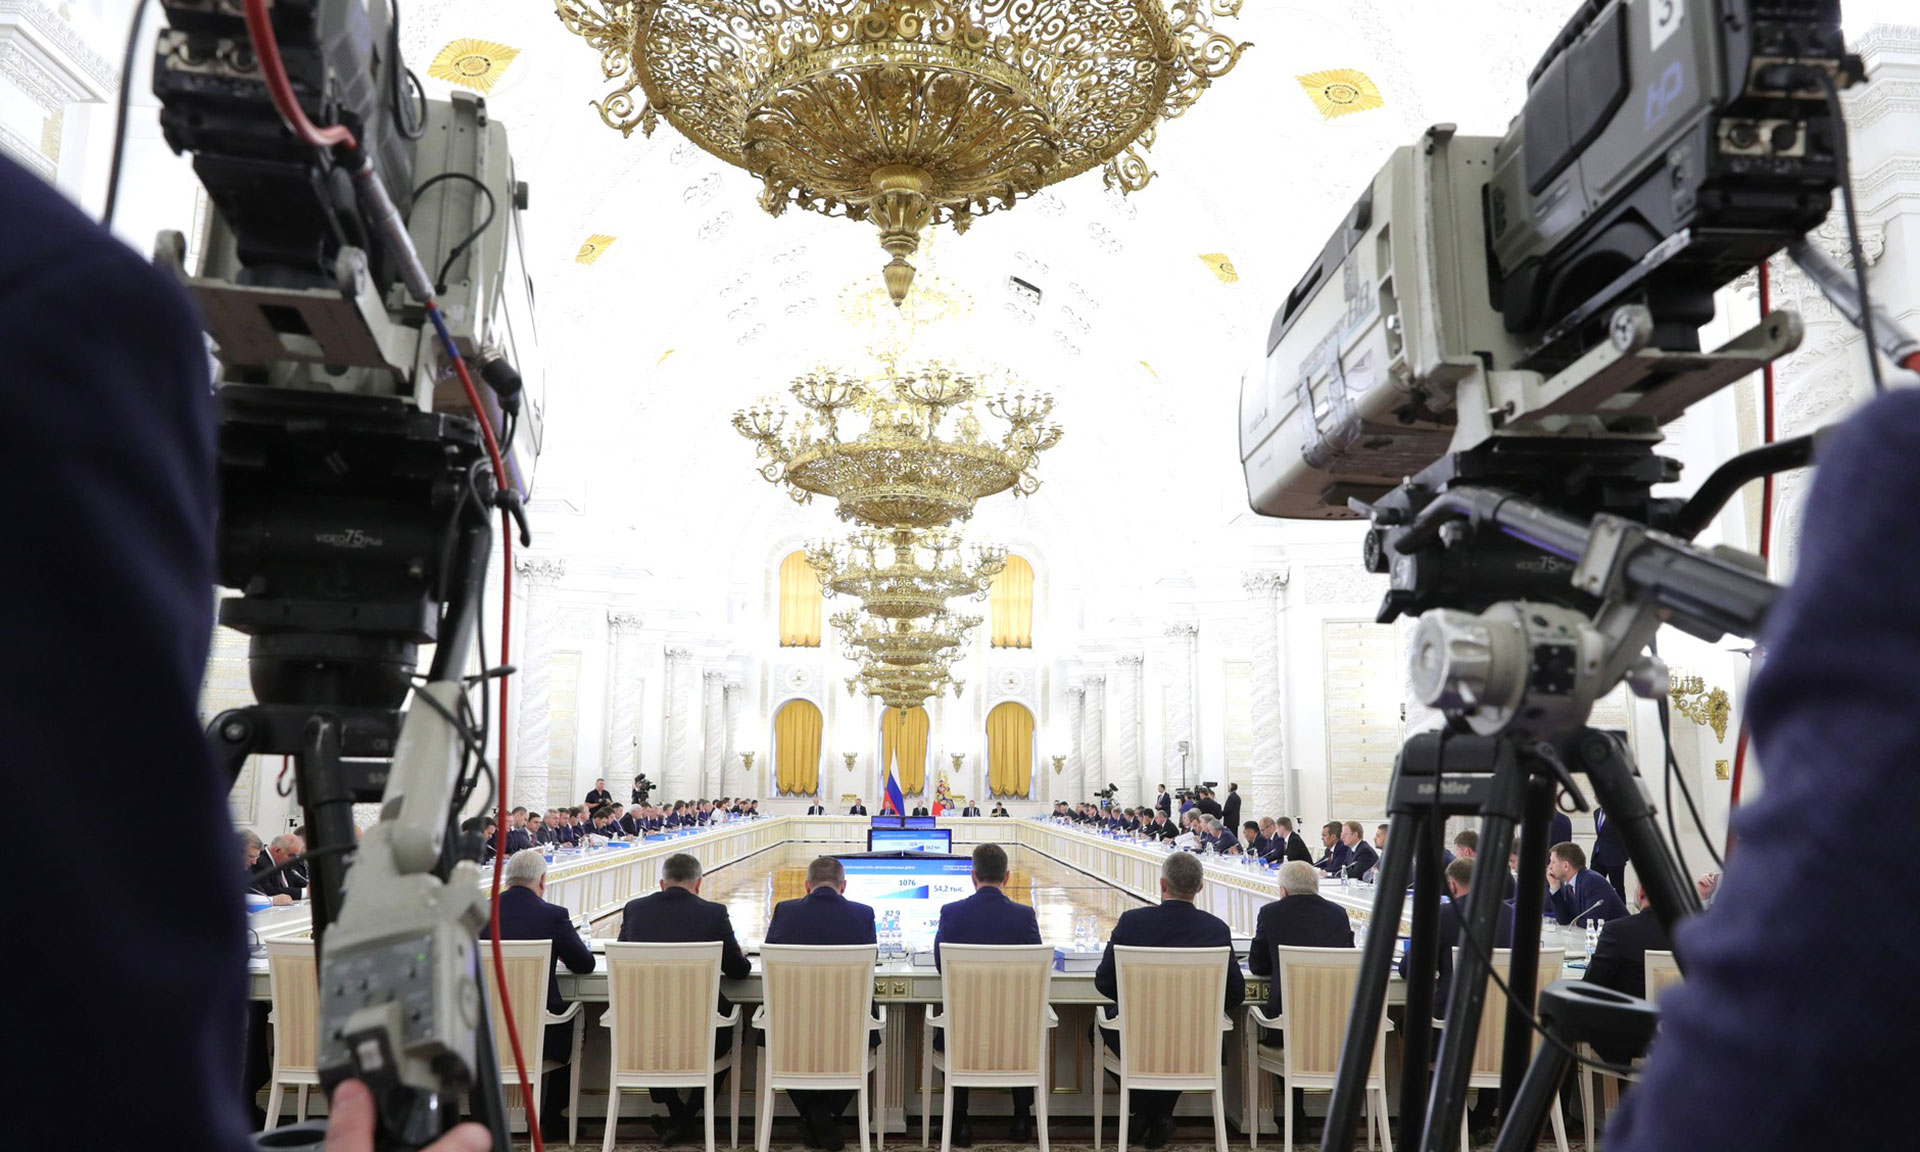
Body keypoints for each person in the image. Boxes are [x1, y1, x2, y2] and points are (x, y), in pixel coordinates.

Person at [1093, 852, 1244, 1149]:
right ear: (1200, 888)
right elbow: (1235, 994)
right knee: (1178, 1041)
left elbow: (1104, 981)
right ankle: (1159, 1114)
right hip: (1195, 1040)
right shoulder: (1216, 929)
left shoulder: (1132, 922)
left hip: (1138, 1036)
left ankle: (1145, 1110)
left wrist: (1138, 1004)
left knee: (1098, 1029)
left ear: (1162, 884)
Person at [616, 853, 752, 1143]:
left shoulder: (635, 910)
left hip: (646, 1030)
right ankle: (687, 1114)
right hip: (704, 1032)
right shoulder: (714, 913)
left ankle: (677, 1112)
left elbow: (624, 958)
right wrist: (740, 954)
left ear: (662, 883)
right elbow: (738, 971)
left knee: (653, 1034)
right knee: (730, 1031)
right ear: (699, 883)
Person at [931, 844, 1043, 1146]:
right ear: (1006, 877)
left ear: (973, 876)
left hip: (963, 1034)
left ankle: (959, 1121)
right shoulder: (1024, 916)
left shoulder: (951, 913)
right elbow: (1035, 967)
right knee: (1019, 1025)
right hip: (1014, 1036)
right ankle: (1022, 1119)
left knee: (956, 1027)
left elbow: (942, 965)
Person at [765, 857, 879, 1150]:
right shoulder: (863, 913)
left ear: (807, 885)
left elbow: (771, 960)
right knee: (865, 1032)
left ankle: (812, 1113)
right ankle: (826, 1113)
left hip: (793, 1029)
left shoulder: (784, 911)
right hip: (847, 1029)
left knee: (781, 1041)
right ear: (843, 886)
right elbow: (872, 961)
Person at [484, 850, 596, 1140]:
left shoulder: (477, 913)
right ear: (542, 880)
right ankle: (551, 1118)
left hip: (484, 1034)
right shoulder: (553, 916)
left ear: (506, 879)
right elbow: (584, 964)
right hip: (540, 1034)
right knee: (575, 1023)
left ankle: (482, 1124)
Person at [1544, 841, 1629, 926]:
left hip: (1621, 933)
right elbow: (1563, 919)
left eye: (1553, 862)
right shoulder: (1569, 885)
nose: (1549, 866)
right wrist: (1554, 887)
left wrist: (1575, 921)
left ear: (1566, 866)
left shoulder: (1592, 881)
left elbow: (1594, 922)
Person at [243, 831, 293, 906]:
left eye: (256, 857)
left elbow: (259, 893)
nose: (254, 862)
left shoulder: (246, 870)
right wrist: (272, 900)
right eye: (251, 857)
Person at [1590, 806, 1629, 901]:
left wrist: (1624, 855)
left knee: (1617, 888)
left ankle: (1620, 910)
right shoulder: (1596, 812)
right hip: (1598, 855)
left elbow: (1627, 834)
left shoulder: (1618, 812)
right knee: (1594, 885)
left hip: (1615, 857)